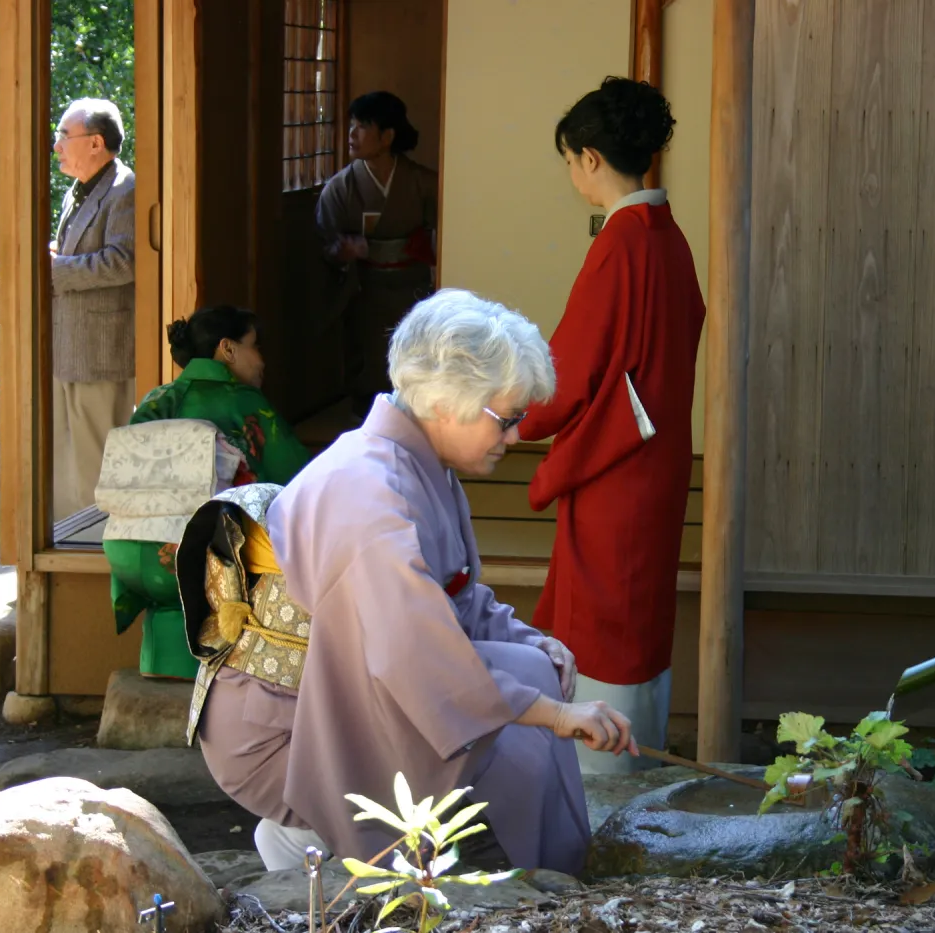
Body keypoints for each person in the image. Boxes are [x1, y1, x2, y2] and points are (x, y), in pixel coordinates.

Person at [175, 289, 636, 874]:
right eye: (508, 420)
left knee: (530, 670)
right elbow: (413, 654)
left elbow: (455, 594)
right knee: (515, 748)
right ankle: (317, 827)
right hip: (285, 728)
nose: (516, 437)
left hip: (345, 688)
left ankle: (535, 868)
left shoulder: (417, 463)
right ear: (445, 404)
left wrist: (531, 642)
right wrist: (552, 714)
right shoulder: (367, 491)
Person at [517, 77, 706, 774]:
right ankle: (638, 759)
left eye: (571, 160)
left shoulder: (620, 244)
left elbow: (569, 370)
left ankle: (602, 771)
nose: (572, 173)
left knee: (603, 611)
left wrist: (513, 414)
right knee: (639, 606)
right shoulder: (668, 238)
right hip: (657, 457)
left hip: (614, 463)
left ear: (590, 158)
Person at [100, 305, 312, 680]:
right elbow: (300, 481)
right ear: (227, 349)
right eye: (255, 346)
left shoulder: (155, 399)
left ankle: (158, 662)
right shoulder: (245, 402)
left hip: (126, 550)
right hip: (196, 559)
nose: (262, 360)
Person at [316, 91, 438, 418]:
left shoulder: (423, 182)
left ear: (387, 136)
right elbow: (325, 243)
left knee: (415, 354)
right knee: (369, 356)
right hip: (364, 288)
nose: (351, 134)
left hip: (414, 286)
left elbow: (444, 232)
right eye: (351, 126)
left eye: (362, 127)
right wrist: (342, 251)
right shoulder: (340, 188)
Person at [50, 97, 137, 522]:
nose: (56, 146)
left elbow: (124, 261)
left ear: (95, 143)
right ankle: (69, 541)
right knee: (67, 459)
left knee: (96, 461)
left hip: (102, 349)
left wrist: (55, 269)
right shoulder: (80, 189)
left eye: (64, 135)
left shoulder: (124, 188)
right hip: (69, 344)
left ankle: (97, 548)